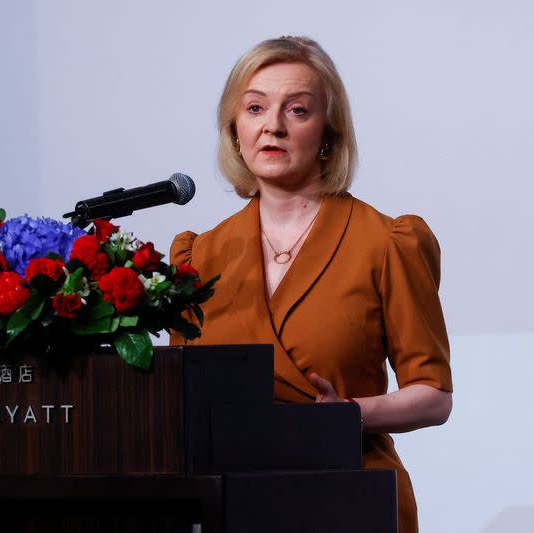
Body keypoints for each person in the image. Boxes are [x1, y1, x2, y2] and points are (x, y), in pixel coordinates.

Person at [169, 36, 453, 533]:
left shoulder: (388, 241)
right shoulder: (199, 255)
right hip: (232, 504)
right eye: (255, 107)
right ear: (235, 129)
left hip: (351, 495)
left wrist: (350, 413)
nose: (272, 126)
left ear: (328, 132)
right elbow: (184, 401)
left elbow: (433, 395)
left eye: (296, 110)